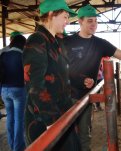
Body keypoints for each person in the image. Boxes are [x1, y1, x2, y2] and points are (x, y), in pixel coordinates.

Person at [63, 4, 121, 151]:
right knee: (65, 134)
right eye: (90, 21)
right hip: (66, 95)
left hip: (85, 97)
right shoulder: (67, 42)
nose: (94, 24)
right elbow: (60, 67)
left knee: (85, 134)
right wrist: (79, 79)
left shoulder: (100, 44)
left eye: (95, 21)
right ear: (80, 21)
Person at [23, 0, 80, 150]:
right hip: (45, 119)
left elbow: (61, 74)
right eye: (65, 17)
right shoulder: (37, 40)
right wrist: (51, 121)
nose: (67, 22)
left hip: (61, 113)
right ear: (50, 15)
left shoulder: (53, 42)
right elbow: (34, 85)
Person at [0, 34, 26, 151]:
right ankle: (18, 148)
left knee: (10, 118)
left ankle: (12, 145)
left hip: (4, 90)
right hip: (19, 90)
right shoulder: (23, 56)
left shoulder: (3, 54)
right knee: (19, 120)